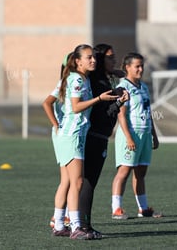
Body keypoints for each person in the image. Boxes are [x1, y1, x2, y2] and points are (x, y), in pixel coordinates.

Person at [42, 44, 119, 240]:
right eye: (89, 57)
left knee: (67, 182)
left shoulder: (72, 77)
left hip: (67, 134)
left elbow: (46, 102)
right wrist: (99, 98)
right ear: (77, 61)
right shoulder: (77, 79)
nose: (93, 60)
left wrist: (57, 125)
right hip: (73, 135)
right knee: (77, 181)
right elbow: (76, 107)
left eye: (94, 57)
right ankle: (77, 227)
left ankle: (59, 224)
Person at [79, 43, 129, 238]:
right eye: (110, 57)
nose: (114, 60)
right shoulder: (98, 83)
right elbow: (103, 116)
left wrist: (114, 72)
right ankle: (83, 226)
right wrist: (118, 102)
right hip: (95, 137)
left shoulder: (99, 79)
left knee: (82, 182)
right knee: (88, 182)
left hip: (96, 136)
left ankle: (70, 221)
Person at [111, 52, 162, 219]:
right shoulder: (123, 86)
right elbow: (121, 114)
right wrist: (128, 137)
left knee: (140, 173)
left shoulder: (143, 86)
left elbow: (148, 112)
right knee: (124, 172)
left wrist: (153, 134)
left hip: (145, 134)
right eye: (137, 66)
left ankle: (143, 208)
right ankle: (116, 208)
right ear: (127, 67)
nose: (141, 69)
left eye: (142, 66)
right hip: (131, 134)